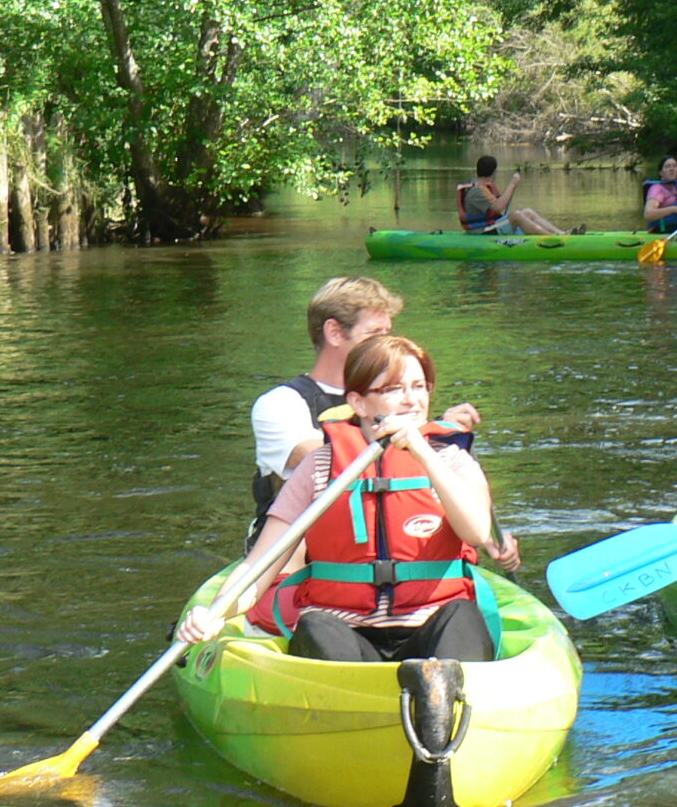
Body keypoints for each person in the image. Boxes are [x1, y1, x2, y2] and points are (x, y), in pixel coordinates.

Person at [186, 334, 499, 663]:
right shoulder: (319, 467)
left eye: (420, 386)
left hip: (431, 631)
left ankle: (437, 691)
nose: (413, 401)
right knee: (315, 625)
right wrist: (214, 614)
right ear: (359, 402)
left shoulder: (450, 459)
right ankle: (360, 697)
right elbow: (258, 567)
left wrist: (422, 452)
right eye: (394, 389)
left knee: (462, 615)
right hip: (347, 637)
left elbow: (477, 532)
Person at [249, 277, 517, 568]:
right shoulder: (280, 404)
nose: (385, 344)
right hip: (304, 550)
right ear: (334, 333)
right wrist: (425, 434)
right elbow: (330, 463)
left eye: (387, 332)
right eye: (374, 334)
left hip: (390, 539)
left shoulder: (399, 399)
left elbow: (407, 470)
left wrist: (441, 437)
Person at [458, 156, 571, 236]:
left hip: (491, 226)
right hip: (482, 231)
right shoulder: (477, 191)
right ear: (493, 172)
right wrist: (512, 184)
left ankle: (560, 233)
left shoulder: (482, 187)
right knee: (516, 215)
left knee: (527, 212)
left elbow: (498, 208)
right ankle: (551, 238)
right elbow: (499, 208)